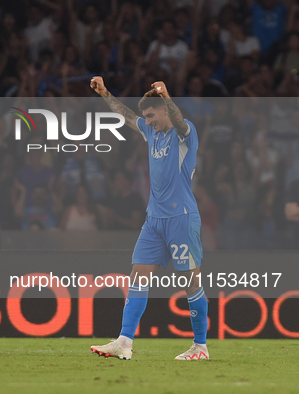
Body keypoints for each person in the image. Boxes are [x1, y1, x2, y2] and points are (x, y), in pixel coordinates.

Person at [89, 76, 208, 361]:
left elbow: (179, 121)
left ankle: (200, 347)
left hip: (181, 218)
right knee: (137, 277)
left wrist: (167, 96)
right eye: (147, 117)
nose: (149, 121)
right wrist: (105, 92)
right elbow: (127, 116)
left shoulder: (185, 133)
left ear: (165, 110)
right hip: (154, 220)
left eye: (152, 116)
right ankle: (124, 342)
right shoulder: (150, 131)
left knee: (191, 283)